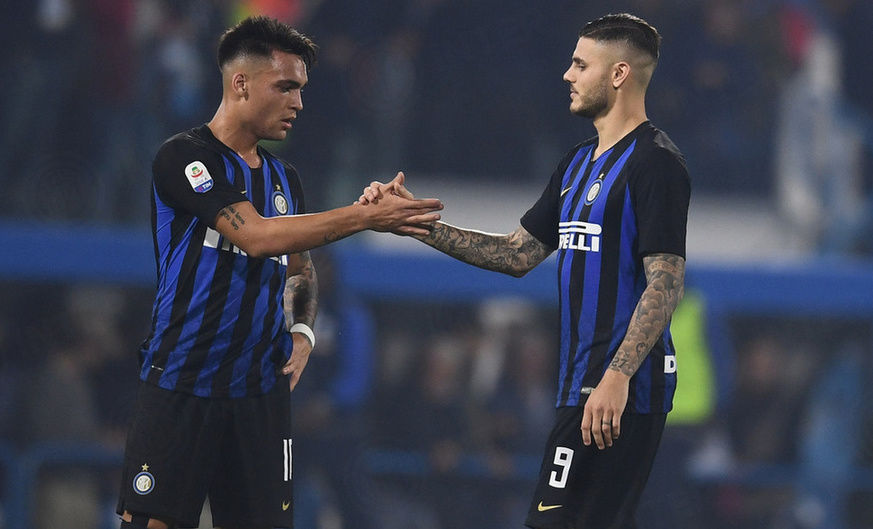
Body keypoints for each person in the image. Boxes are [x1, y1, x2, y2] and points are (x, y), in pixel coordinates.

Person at [361, 13, 690, 529]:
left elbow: (666, 283)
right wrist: (418, 226)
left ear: (619, 73)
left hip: (621, 393)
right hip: (579, 386)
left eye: (580, 64)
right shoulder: (576, 163)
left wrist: (616, 377)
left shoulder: (657, 163)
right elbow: (517, 254)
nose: (567, 74)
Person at [116, 16, 442, 529]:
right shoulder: (184, 158)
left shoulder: (285, 178)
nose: (299, 103)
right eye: (286, 86)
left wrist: (304, 331)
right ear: (241, 83)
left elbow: (300, 266)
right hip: (182, 382)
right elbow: (255, 235)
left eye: (302, 89)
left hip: (259, 395)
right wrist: (364, 217)